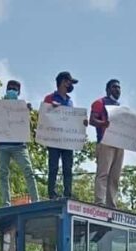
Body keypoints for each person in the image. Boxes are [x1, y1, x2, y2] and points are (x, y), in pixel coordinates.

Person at [90, 79, 136, 208]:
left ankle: (111, 204)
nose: (117, 90)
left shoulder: (120, 108)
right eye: (114, 87)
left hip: (119, 144)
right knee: (103, 173)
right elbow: (92, 120)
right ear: (108, 89)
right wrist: (103, 123)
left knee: (115, 175)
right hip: (105, 142)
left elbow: (125, 127)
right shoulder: (100, 103)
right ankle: (100, 202)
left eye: (119, 88)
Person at [0, 80, 39, 206]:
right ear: (6, 89)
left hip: (19, 145)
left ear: (19, 92)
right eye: (10, 88)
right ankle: (6, 202)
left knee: (28, 171)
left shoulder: (23, 107)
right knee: (3, 174)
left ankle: (36, 200)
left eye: (14, 89)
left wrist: (28, 113)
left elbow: (28, 127)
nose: (12, 90)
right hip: (2, 145)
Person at [43, 71, 83, 200]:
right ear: (63, 82)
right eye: (70, 82)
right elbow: (43, 115)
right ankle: (52, 192)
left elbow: (72, 121)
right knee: (53, 167)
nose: (71, 85)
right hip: (54, 139)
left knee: (68, 168)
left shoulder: (70, 102)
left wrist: (82, 123)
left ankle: (68, 193)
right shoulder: (49, 98)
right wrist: (51, 108)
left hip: (67, 141)